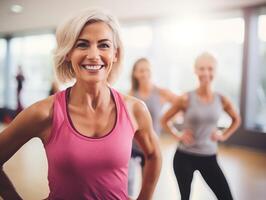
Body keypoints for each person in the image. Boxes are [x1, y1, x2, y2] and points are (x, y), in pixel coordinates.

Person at [0, 8, 162, 200]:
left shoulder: (135, 109)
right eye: (82, 45)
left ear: (115, 53)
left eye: (104, 45)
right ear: (68, 53)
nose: (94, 55)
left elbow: (153, 155)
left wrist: (145, 197)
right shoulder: (43, 113)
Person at [161, 52, 241, 200]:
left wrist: (223, 135)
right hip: (184, 157)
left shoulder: (221, 99)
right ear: (195, 70)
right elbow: (164, 120)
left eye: (210, 69)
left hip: (209, 157)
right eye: (202, 68)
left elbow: (236, 119)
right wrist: (177, 135)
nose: (205, 72)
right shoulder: (185, 98)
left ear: (215, 71)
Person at [128, 58, 177, 197]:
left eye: (147, 70)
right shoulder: (131, 94)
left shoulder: (161, 93)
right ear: (135, 74)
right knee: (128, 186)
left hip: (150, 148)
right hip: (131, 147)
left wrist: (168, 120)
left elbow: (181, 104)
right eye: (141, 70)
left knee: (147, 188)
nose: (144, 73)